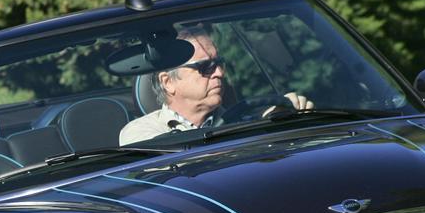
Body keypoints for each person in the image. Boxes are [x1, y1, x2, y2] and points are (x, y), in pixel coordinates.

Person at [118, 26, 312, 145]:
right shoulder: (140, 134)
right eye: (205, 67)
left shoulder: (243, 121)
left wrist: (278, 121)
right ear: (168, 82)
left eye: (219, 63)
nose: (219, 73)